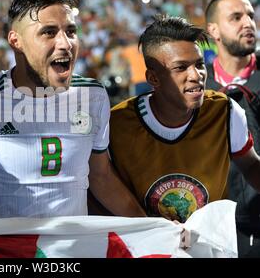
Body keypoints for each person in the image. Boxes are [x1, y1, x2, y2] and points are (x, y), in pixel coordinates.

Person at [0, 0, 146, 220]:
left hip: (70, 251)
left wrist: (151, 227)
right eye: (49, 32)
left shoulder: (92, 95)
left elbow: (100, 175)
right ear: (16, 41)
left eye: (71, 31)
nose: (65, 43)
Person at [90, 15, 260, 228]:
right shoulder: (116, 124)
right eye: (181, 67)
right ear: (153, 78)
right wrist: (147, 229)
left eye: (199, 64)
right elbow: (96, 191)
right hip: (144, 246)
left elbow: (251, 164)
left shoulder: (225, 110)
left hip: (208, 245)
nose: (196, 75)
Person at [205, 0, 260, 257]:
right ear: (213, 30)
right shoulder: (195, 85)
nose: (248, 23)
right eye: (236, 17)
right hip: (213, 226)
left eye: (250, 15)